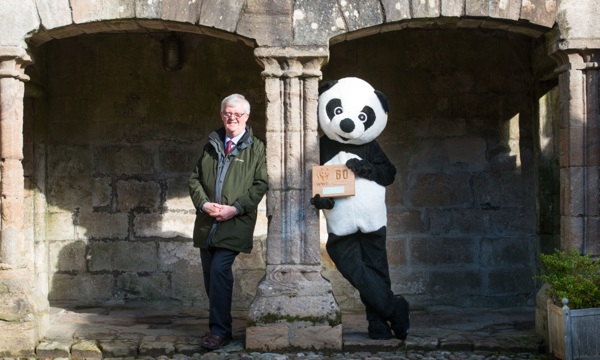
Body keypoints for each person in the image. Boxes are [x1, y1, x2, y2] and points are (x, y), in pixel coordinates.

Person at [189, 94, 268, 350]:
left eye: (237, 114)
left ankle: (220, 332)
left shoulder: (257, 148)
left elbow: (260, 184)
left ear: (246, 117)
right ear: (222, 114)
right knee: (210, 279)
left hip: (235, 222)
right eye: (227, 113)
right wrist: (204, 204)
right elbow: (195, 180)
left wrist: (235, 209)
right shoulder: (212, 143)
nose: (231, 118)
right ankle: (222, 327)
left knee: (219, 271)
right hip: (208, 222)